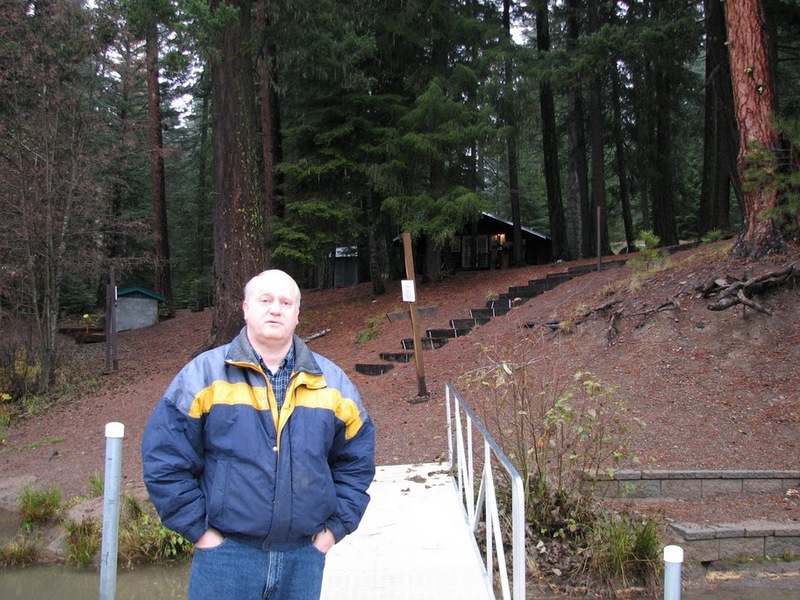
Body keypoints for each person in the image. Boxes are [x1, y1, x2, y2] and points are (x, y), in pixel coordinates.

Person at [142, 269, 376, 600]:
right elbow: (164, 459)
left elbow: (357, 463)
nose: (275, 309)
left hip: (303, 558)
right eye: (265, 300)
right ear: (246, 308)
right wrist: (200, 532)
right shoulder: (203, 376)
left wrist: (333, 531)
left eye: (285, 302)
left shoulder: (334, 385)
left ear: (297, 313)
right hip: (226, 557)